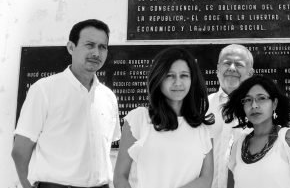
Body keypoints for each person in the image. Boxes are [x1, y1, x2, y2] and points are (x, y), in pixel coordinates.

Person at [12, 19, 121, 188]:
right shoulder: (44, 90)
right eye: (89, 45)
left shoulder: (108, 97)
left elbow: (106, 151)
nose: (96, 53)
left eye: (102, 47)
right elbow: (20, 150)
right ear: (71, 47)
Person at [113, 46, 215, 188]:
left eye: (184, 75)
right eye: (169, 75)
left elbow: (206, 179)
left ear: (192, 80)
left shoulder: (203, 129)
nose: (177, 82)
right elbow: (120, 177)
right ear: (159, 78)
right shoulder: (139, 119)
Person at [222, 75, 290, 188]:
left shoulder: (288, 139)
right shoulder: (238, 145)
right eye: (248, 100)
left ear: (274, 103)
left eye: (261, 98)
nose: (254, 105)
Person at [207, 44, 254, 188]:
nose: (232, 68)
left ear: (250, 73)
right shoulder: (200, 107)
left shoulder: (261, 111)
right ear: (217, 70)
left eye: (239, 64)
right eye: (227, 63)